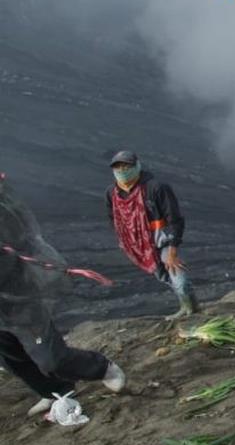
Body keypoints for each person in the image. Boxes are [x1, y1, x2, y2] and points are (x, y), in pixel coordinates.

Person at [3, 174, 126, 417]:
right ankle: (53, 391)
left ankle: (102, 368)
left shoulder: (3, 213)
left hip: (17, 297)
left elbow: (18, 242)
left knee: (51, 359)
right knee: (10, 357)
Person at [105, 150, 199, 319]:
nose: (122, 171)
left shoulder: (155, 187)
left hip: (161, 238)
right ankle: (189, 304)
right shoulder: (112, 193)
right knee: (162, 275)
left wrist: (172, 249)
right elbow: (113, 218)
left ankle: (189, 308)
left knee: (173, 268)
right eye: (118, 167)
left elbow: (175, 218)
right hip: (138, 243)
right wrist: (124, 239)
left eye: (126, 166)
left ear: (137, 166)